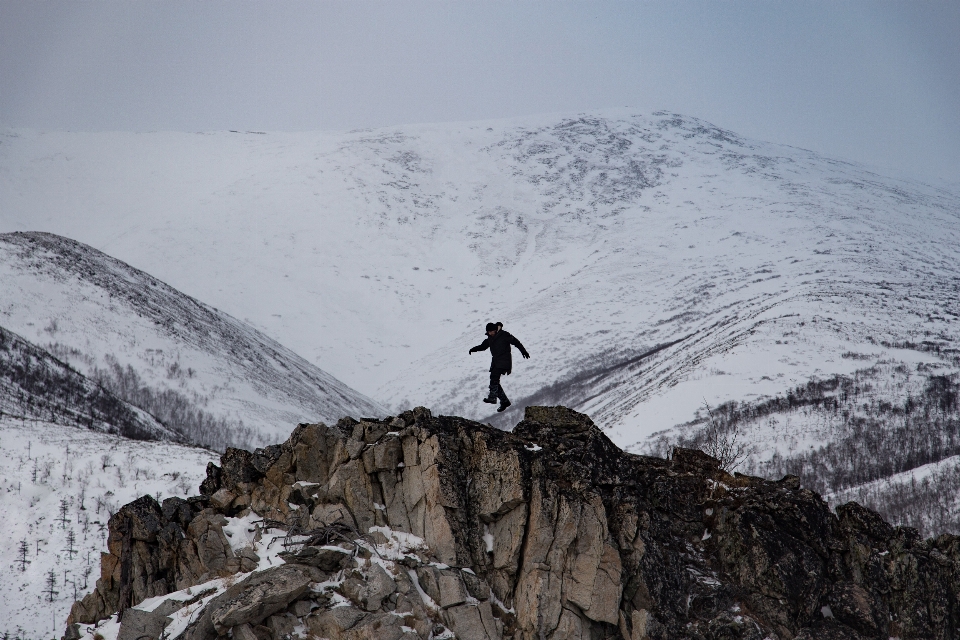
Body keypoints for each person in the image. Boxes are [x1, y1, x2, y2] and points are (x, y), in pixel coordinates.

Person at [468, 322, 530, 412]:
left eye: (492, 331)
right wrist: (473, 349)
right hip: (496, 362)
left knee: (494, 377)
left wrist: (523, 351)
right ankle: (504, 401)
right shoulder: (490, 338)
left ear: (496, 330)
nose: (491, 333)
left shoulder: (504, 335)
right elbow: (483, 346)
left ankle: (492, 397)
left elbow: (516, 342)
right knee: (495, 381)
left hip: (504, 360)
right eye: (489, 332)